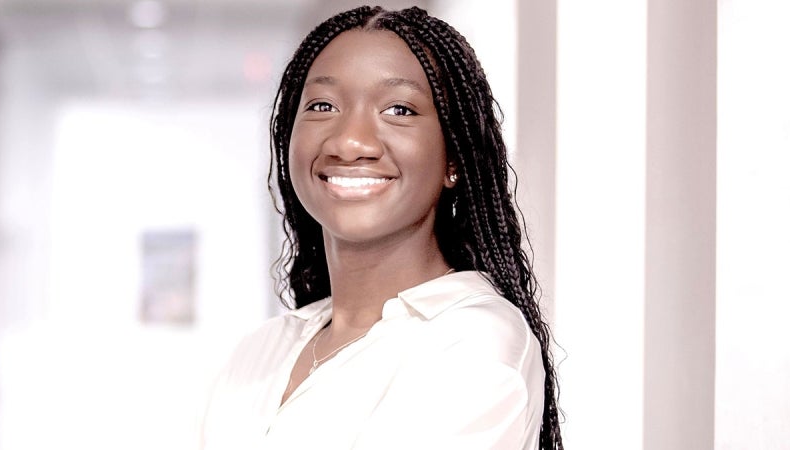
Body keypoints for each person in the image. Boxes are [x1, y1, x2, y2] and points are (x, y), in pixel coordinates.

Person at [198, 5, 563, 450]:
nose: (350, 142)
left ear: (454, 159)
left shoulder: (474, 340)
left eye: (399, 109)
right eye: (322, 105)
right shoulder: (261, 350)